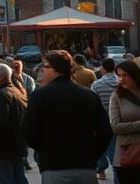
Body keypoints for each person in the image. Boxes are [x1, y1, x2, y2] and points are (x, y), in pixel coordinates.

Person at [23, 50, 112, 184]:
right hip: (85, 167)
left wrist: (44, 150)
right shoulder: (89, 95)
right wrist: (92, 154)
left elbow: (28, 132)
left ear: (54, 69)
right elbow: (105, 131)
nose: (42, 71)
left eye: (45, 67)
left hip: (54, 167)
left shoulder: (39, 96)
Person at [108, 59, 140, 184]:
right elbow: (115, 127)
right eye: (119, 75)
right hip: (127, 155)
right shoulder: (117, 96)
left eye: (125, 75)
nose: (121, 79)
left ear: (135, 75)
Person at [0, 64, 27, 184]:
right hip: (17, 147)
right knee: (19, 179)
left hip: (2, 151)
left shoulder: (1, 95)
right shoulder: (17, 92)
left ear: (2, 77)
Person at [90, 57, 119, 180]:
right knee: (117, 150)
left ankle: (101, 168)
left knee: (102, 145)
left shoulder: (97, 84)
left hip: (102, 121)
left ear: (103, 68)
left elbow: (93, 104)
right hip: (119, 121)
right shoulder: (121, 83)